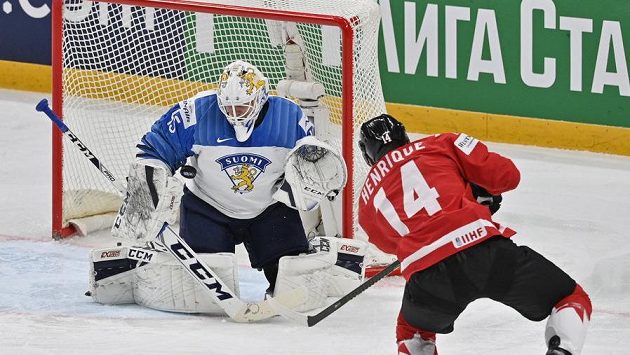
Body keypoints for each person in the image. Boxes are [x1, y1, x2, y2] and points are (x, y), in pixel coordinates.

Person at [98, 60, 355, 314]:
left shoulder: (289, 116)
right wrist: (149, 185)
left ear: (261, 97)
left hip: (268, 210)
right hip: (207, 209)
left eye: (242, 107)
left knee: (294, 279)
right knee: (202, 292)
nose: (234, 114)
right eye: (228, 107)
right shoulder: (195, 113)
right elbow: (154, 149)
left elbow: (311, 161)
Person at [357, 114, 592, 355]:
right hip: (486, 252)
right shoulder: (441, 143)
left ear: (367, 154)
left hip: (429, 276)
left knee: (412, 331)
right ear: (404, 136)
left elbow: (386, 243)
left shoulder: (366, 198)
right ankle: (562, 350)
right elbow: (508, 176)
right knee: (570, 297)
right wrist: (473, 191)